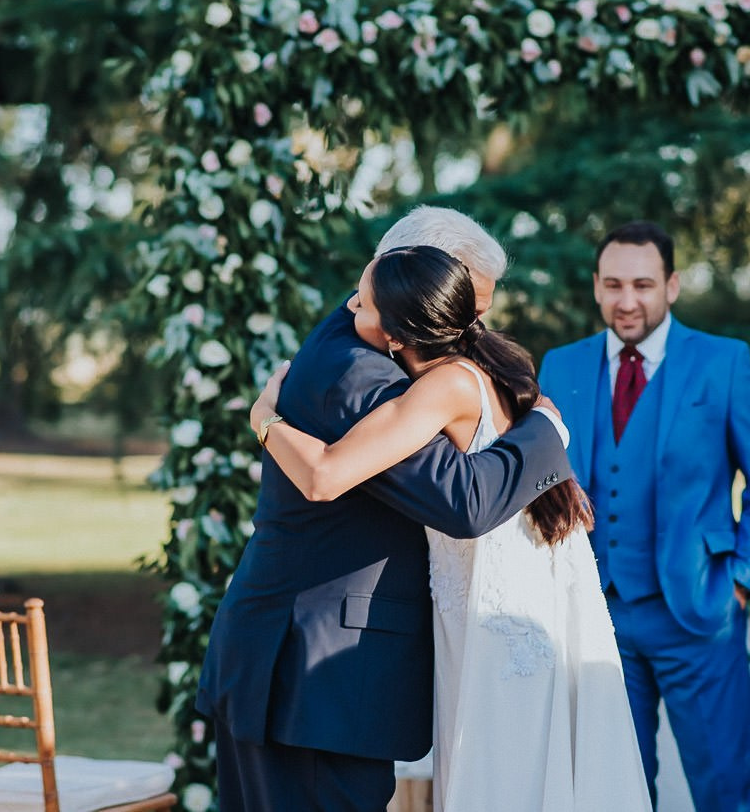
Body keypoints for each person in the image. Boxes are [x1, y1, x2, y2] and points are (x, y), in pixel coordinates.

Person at [195, 207, 573, 812]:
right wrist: (547, 429)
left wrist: (263, 419)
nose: (473, 325)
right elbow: (464, 501)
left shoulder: (395, 355)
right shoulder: (358, 379)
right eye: (467, 305)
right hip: (307, 680)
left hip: (310, 676)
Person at [250, 244, 652, 812]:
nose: (350, 311)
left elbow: (323, 476)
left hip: (494, 605)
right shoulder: (491, 363)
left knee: (503, 769)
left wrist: (265, 419)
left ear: (394, 337)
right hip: (505, 589)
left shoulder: (445, 386)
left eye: (360, 303)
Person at [538, 220, 750, 812]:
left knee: (725, 788)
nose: (627, 301)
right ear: (596, 287)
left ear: (672, 286)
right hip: (595, 615)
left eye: (643, 285)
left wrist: (742, 581)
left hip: (700, 612)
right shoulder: (561, 367)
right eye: (613, 285)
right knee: (612, 791)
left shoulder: (724, 363)